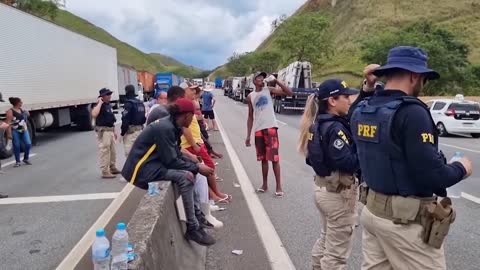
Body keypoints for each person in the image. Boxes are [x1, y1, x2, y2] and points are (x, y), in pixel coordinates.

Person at [350, 46, 473, 270]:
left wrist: (368, 87)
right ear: (414, 76)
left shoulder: (365, 108)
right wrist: (461, 168)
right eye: (423, 79)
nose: (423, 85)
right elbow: (433, 177)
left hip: (372, 212)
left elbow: (353, 116)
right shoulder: (412, 111)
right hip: (404, 224)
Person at [121, 98, 216, 246]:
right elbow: (171, 161)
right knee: (187, 176)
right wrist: (197, 168)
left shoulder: (172, 125)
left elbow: (175, 152)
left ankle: (197, 215)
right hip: (142, 169)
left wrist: (193, 162)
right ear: (186, 116)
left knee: (191, 167)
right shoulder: (165, 128)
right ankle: (192, 228)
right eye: (193, 115)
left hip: (153, 163)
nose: (193, 119)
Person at [298, 79, 360, 269]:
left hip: (323, 188)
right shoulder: (335, 128)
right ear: (333, 101)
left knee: (326, 240)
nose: (349, 101)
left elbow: (311, 158)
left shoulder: (316, 124)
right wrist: (365, 152)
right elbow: (346, 162)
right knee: (336, 255)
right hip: (338, 195)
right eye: (345, 97)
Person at [179, 82, 230, 203]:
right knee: (208, 168)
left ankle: (213, 195)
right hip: (192, 144)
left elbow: (194, 124)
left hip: (197, 142)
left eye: (196, 91)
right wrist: (195, 146)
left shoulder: (190, 102)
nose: (195, 92)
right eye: (192, 90)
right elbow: (184, 128)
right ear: (184, 90)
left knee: (204, 171)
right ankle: (214, 194)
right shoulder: (184, 105)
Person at [245, 71, 292, 197]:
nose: (261, 79)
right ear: (254, 81)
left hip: (271, 128)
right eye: (259, 77)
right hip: (258, 130)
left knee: (274, 159)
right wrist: (248, 135)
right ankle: (264, 185)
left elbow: (289, 93)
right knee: (263, 159)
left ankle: (278, 186)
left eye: (263, 77)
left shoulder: (269, 90)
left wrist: (276, 81)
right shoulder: (250, 96)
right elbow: (250, 116)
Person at [91, 88, 119, 179]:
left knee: (113, 151)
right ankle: (105, 171)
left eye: (110, 94)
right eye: (107, 94)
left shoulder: (108, 105)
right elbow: (94, 114)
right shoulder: (99, 105)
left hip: (110, 130)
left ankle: (112, 167)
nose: (109, 96)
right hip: (103, 131)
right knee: (105, 151)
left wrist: (114, 131)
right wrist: (99, 103)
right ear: (102, 96)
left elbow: (111, 120)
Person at [5, 97, 32, 167]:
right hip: (15, 130)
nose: (22, 103)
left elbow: (27, 116)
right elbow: (8, 123)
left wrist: (27, 113)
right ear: (17, 103)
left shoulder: (22, 109)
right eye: (21, 102)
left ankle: (26, 158)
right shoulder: (10, 111)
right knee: (16, 146)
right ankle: (18, 161)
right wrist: (9, 133)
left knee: (28, 143)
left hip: (24, 129)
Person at [121, 85, 146, 156]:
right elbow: (144, 118)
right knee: (140, 155)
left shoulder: (129, 104)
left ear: (126, 91)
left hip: (131, 133)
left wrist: (122, 133)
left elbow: (125, 119)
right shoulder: (140, 103)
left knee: (129, 156)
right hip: (140, 131)